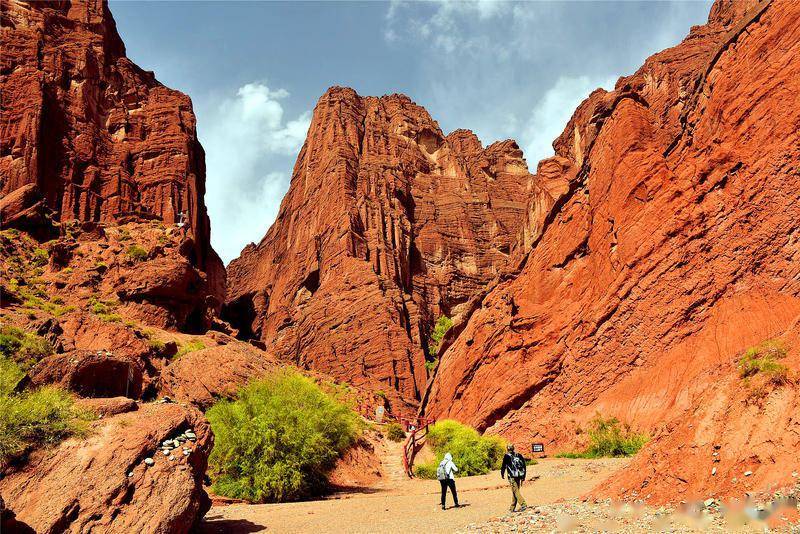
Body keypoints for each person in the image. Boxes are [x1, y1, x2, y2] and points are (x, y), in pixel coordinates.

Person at [500, 443, 527, 512]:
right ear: (513, 448)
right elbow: (524, 466)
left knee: (515, 491)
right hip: (519, 476)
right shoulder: (519, 455)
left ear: (507, 449)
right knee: (515, 491)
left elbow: (503, 466)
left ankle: (523, 504)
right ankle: (512, 508)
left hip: (512, 476)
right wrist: (523, 476)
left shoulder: (506, 456)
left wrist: (502, 474)